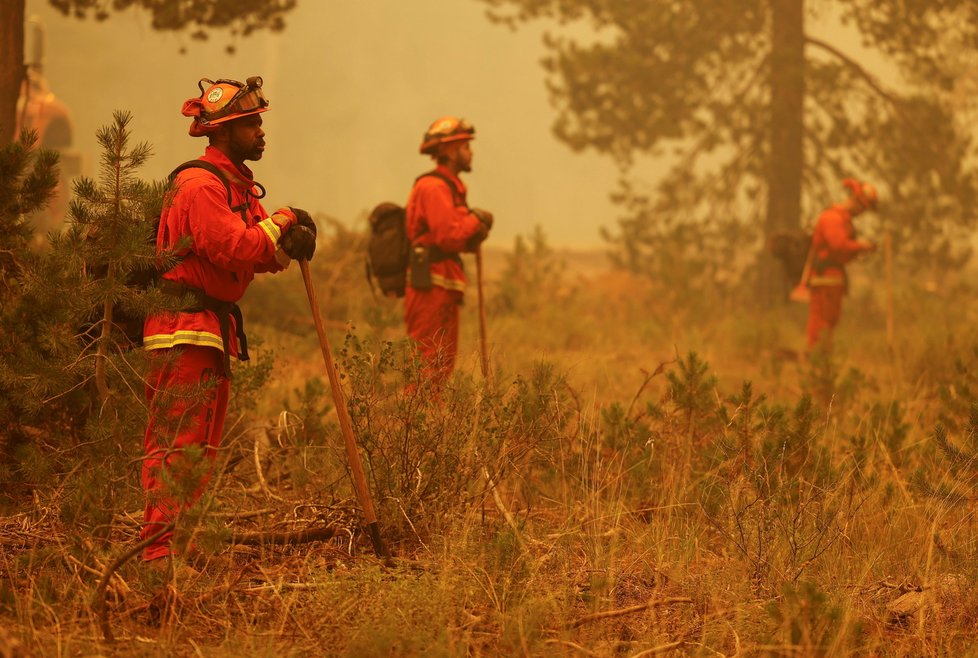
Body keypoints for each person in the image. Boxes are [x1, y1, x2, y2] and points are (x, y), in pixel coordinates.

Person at [140, 76, 317, 564]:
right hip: (181, 329)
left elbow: (255, 253)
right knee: (176, 447)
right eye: (250, 124)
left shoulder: (234, 184)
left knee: (201, 449)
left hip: (209, 329)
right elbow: (234, 245)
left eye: (258, 122)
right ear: (222, 132)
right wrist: (283, 219)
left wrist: (286, 245)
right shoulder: (198, 185)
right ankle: (158, 559)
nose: (261, 132)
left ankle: (186, 548)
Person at [404, 116, 493, 391]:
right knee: (427, 362)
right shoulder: (434, 188)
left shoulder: (449, 186)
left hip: (443, 285)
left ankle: (433, 426)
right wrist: (476, 220)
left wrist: (474, 230)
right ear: (451, 152)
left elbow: (455, 237)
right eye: (465, 147)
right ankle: (415, 427)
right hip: (430, 285)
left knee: (442, 365)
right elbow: (448, 236)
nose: (471, 152)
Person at [805, 178, 878, 352]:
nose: (862, 213)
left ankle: (823, 358)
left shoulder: (843, 220)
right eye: (862, 207)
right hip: (825, 277)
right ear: (854, 201)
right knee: (822, 319)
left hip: (833, 275)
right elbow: (838, 245)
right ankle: (815, 358)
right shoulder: (832, 218)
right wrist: (861, 246)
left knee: (831, 319)